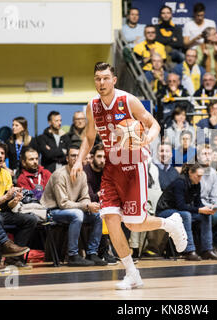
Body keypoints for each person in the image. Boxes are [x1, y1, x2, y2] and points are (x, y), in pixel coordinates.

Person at [70, 62, 188, 290]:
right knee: (111, 220)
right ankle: (132, 273)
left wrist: (147, 139)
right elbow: (89, 137)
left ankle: (169, 223)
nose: (101, 83)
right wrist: (78, 160)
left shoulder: (128, 100)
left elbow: (153, 125)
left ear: (114, 80)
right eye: (97, 78)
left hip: (134, 164)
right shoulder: (92, 106)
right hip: (111, 167)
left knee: (134, 225)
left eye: (105, 78)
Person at [41, 146, 105, 267]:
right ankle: (73, 255)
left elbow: (85, 197)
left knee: (98, 215)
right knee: (78, 214)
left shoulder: (82, 174)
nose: (76, 158)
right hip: (52, 211)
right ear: (67, 158)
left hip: (72, 210)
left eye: (78, 156)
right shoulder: (59, 175)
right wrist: (86, 205)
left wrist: (89, 205)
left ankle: (92, 253)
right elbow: (63, 204)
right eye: (73, 156)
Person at [156, 162, 215, 261]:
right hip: (165, 211)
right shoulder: (180, 182)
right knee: (186, 215)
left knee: (205, 216)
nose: (200, 178)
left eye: (201, 176)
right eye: (198, 176)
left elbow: (198, 203)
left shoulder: (197, 184)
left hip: (178, 211)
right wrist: (199, 209)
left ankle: (207, 250)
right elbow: (181, 205)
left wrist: (207, 209)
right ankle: (189, 251)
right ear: (190, 173)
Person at [83, 144, 118, 265]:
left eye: (104, 157)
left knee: (119, 212)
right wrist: (101, 194)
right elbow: (89, 196)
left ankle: (118, 251)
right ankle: (103, 252)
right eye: (99, 156)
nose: (102, 160)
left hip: (103, 203)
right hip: (86, 205)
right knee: (102, 214)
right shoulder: (85, 171)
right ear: (92, 157)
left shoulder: (107, 171)